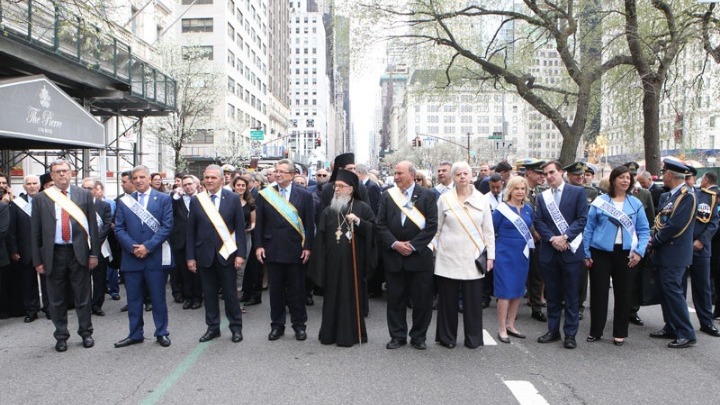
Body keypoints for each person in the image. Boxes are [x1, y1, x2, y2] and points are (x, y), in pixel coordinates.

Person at [30, 159, 99, 352]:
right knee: (56, 298)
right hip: (54, 253)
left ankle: (86, 333)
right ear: (51, 176)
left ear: (71, 173)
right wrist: (37, 261)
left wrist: (94, 254)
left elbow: (93, 227)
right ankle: (61, 336)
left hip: (79, 252)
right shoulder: (41, 199)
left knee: (83, 296)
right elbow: (35, 233)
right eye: (57, 172)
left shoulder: (84, 195)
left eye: (65, 171)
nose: (61, 174)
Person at [583, 165, 650, 346]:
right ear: (613, 180)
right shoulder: (599, 201)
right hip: (600, 253)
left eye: (628, 177)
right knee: (598, 293)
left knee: (624, 293)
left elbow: (644, 231)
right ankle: (596, 330)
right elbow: (589, 228)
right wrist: (586, 252)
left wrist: (639, 252)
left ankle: (620, 332)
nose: (625, 180)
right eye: (621, 177)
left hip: (626, 254)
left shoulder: (635, 203)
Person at [309, 169, 376, 346]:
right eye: (335, 186)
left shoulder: (362, 208)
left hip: (355, 264)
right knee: (332, 299)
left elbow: (373, 231)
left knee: (351, 298)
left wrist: (359, 222)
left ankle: (352, 335)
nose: (336, 189)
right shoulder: (328, 211)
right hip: (332, 266)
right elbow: (320, 241)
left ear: (351, 189)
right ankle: (329, 334)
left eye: (340, 186)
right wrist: (320, 266)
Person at [376, 161, 438, 350]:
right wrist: (395, 244)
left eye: (399, 173)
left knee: (422, 301)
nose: (396, 177)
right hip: (394, 256)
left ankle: (418, 336)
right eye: (395, 173)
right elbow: (380, 224)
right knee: (395, 300)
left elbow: (432, 226)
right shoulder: (388, 196)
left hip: (419, 257)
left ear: (411, 174)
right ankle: (397, 335)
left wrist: (412, 246)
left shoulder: (427, 195)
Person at [434, 161, 493, 349]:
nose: (462, 177)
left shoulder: (482, 199)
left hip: (473, 257)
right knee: (448, 301)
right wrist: (435, 251)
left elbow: (488, 232)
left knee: (473, 302)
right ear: (453, 177)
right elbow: (436, 229)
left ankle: (473, 338)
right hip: (448, 256)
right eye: (458, 174)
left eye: (465, 173)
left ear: (471, 176)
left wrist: (490, 256)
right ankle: (447, 338)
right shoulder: (445, 199)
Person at [113, 165, 174, 348]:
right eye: (135, 178)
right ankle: (135, 333)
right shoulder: (125, 201)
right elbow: (119, 228)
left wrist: (147, 247)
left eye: (141, 177)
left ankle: (161, 332)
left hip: (154, 256)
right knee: (133, 299)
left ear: (149, 178)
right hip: (132, 258)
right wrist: (134, 248)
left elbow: (167, 226)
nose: (138, 180)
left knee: (158, 298)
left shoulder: (163, 199)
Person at [255, 159, 315, 341]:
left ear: (291, 174)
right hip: (272, 248)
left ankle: (299, 326)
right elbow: (260, 224)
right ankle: (277, 326)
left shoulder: (304, 195)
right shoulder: (265, 194)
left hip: (296, 250)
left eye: (282, 171)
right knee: (276, 291)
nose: (278, 174)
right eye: (276, 171)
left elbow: (309, 224)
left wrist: (308, 247)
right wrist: (258, 246)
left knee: (297, 290)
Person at [187, 165, 247, 343]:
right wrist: (190, 257)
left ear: (222, 180)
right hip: (204, 255)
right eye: (207, 177)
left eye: (213, 177)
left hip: (227, 254)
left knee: (230, 295)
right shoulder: (197, 200)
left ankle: (236, 328)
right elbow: (191, 231)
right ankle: (212, 328)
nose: (209, 180)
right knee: (210, 294)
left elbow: (240, 230)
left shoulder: (233, 198)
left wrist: (240, 254)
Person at [533, 161, 588, 349]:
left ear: (561, 172)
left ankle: (570, 334)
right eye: (545, 174)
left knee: (572, 295)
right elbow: (538, 221)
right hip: (549, 251)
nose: (548, 176)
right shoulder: (542, 197)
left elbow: (582, 220)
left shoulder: (577, 192)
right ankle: (553, 330)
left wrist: (565, 237)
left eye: (552, 172)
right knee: (553, 295)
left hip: (570, 251)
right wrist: (552, 239)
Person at [648, 158, 697, 349]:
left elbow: (676, 225)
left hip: (675, 253)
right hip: (665, 252)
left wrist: (656, 240)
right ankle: (671, 325)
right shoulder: (670, 196)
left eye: (664, 173)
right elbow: (660, 220)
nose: (662, 176)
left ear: (669, 175)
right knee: (665, 292)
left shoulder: (687, 196)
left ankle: (686, 332)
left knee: (673, 292)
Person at [493, 176, 534, 343]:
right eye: (516, 188)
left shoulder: (528, 209)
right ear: (510, 190)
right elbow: (492, 230)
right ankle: (501, 328)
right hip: (504, 253)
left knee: (518, 290)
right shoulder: (501, 209)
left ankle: (511, 324)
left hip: (522, 254)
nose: (520, 191)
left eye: (523, 189)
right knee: (504, 291)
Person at [683, 171, 720, 337]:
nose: (687, 181)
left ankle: (706, 323)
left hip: (701, 248)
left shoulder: (709, 197)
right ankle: (676, 324)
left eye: (689, 177)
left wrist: (702, 240)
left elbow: (714, 222)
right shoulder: (677, 196)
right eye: (683, 178)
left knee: (702, 288)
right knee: (678, 288)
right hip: (679, 248)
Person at [7, 175, 42, 322]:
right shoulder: (16, 204)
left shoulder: (46, 200)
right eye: (29, 184)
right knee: (28, 282)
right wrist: (14, 250)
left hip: (43, 248)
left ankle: (50, 308)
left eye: (35, 183)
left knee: (49, 282)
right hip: (25, 249)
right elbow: (12, 229)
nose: (32, 186)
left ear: (39, 185)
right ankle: (31, 310)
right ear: (24, 186)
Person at [82, 178, 112, 317]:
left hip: (100, 247)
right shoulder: (77, 205)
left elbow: (106, 226)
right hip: (81, 248)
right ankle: (85, 305)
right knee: (83, 279)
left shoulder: (104, 206)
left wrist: (94, 243)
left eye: (89, 188)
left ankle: (97, 305)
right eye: (84, 188)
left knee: (99, 279)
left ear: (95, 190)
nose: (86, 191)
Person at [522, 159, 547, 322]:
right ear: (529, 173)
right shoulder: (520, 190)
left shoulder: (537, 192)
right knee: (518, 273)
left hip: (536, 241)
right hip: (522, 240)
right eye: (539, 173)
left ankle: (536, 305)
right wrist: (533, 231)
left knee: (537, 273)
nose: (542, 176)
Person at [172, 175, 202, 310]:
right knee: (184, 271)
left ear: (196, 185)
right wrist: (175, 196)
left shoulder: (203, 198)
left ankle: (197, 297)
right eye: (185, 185)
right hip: (181, 241)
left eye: (190, 184)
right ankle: (188, 297)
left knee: (198, 271)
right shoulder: (177, 200)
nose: (188, 187)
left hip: (199, 241)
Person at [233, 176, 256, 302]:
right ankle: (229, 296)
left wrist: (250, 228)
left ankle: (237, 297)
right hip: (229, 238)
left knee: (241, 267)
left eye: (243, 185)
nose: (241, 187)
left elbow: (253, 222)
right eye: (238, 185)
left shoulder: (250, 203)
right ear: (234, 186)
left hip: (245, 237)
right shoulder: (228, 200)